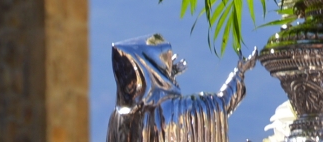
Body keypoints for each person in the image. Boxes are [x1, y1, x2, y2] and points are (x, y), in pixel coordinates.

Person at [106, 34, 255, 142]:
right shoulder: (174, 110)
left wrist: (168, 78)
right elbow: (220, 104)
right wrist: (239, 72)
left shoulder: (117, 119)